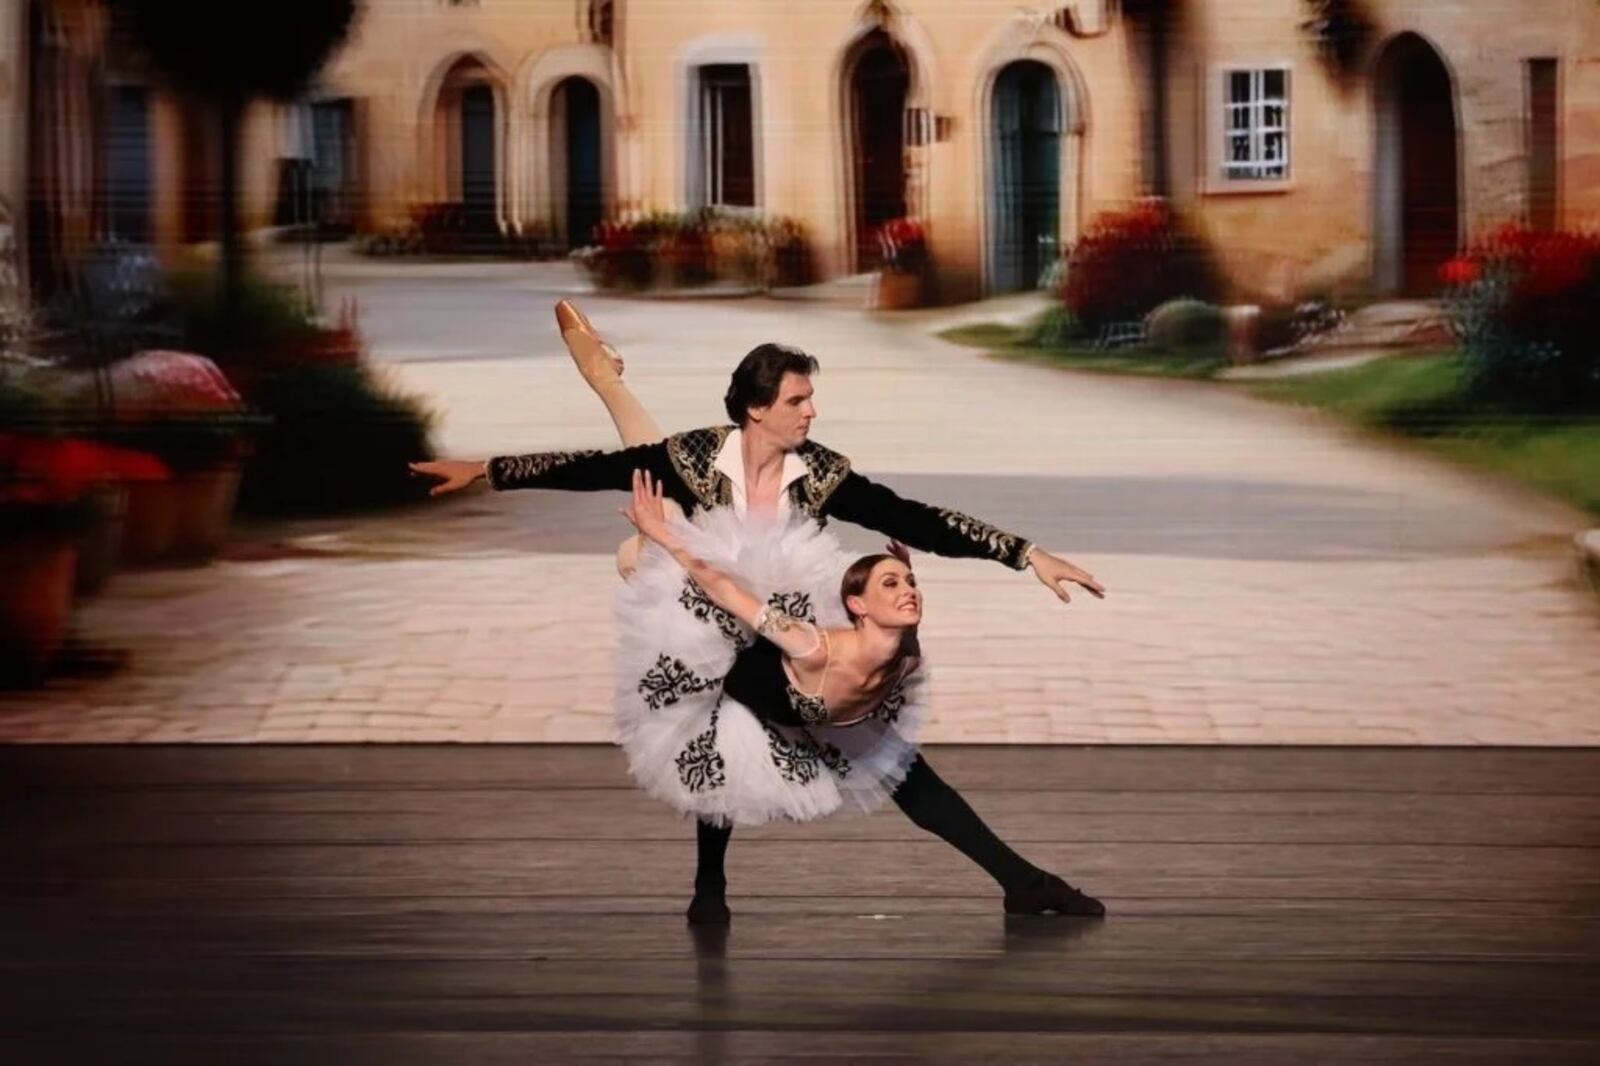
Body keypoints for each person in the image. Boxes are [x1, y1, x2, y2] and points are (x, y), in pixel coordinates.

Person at [410, 302, 1106, 924]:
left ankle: (1021, 880)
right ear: (757, 409)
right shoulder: (694, 457)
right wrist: (488, 469)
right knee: (691, 647)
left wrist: (1025, 553)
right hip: (692, 585)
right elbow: (594, 468)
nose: (811, 413)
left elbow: (912, 518)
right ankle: (710, 881)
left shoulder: (822, 474)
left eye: (811, 399)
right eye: (798, 401)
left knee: (884, 756)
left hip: (778, 610)